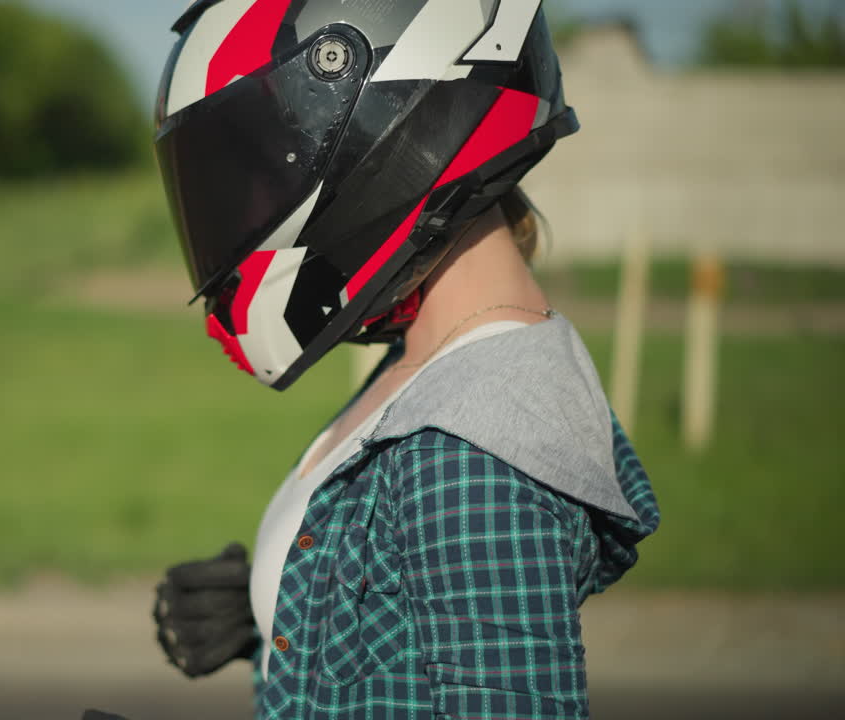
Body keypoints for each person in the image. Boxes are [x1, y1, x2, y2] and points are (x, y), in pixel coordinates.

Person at [148, 2, 661, 719]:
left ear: (374, 121)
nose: (244, 208)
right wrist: (278, 619)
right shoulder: (435, 369)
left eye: (265, 170)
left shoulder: (478, 445)